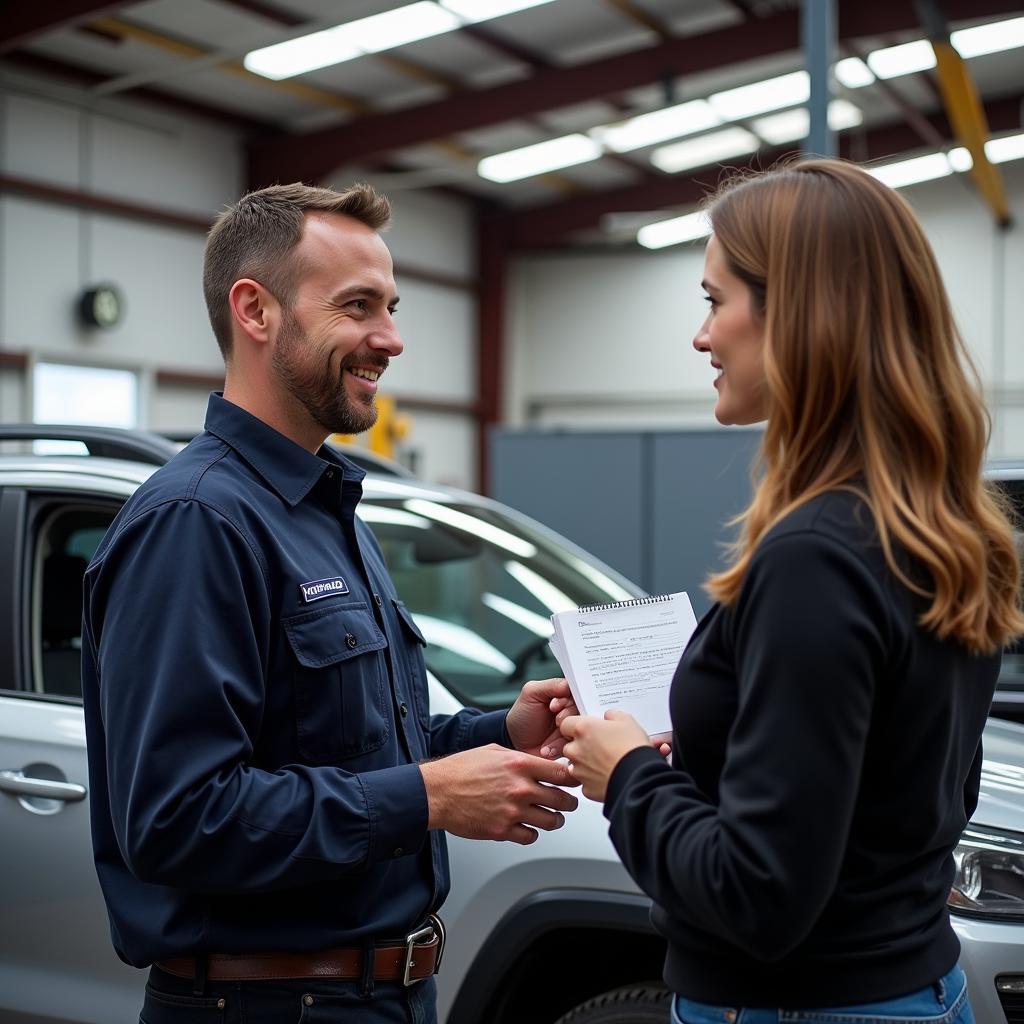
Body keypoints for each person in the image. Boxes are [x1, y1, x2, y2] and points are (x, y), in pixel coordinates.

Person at [80, 181, 579, 1024]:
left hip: (379, 996)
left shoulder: (325, 510)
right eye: (358, 306)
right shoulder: (197, 522)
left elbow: (354, 746)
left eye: (390, 307)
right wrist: (428, 797)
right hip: (266, 1004)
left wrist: (496, 734)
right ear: (256, 310)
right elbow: (177, 819)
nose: (390, 338)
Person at [559, 158, 1024, 1024]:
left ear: (802, 315)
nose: (702, 337)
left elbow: (758, 896)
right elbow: (921, 800)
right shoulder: (945, 531)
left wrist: (625, 773)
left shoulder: (815, 556)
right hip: (918, 984)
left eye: (713, 299)